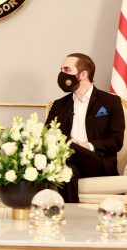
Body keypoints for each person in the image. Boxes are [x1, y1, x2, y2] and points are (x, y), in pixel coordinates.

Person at [46, 53, 125, 203]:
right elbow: (47, 136)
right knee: (66, 169)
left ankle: (71, 148)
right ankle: (72, 218)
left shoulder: (110, 102)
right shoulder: (59, 105)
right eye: (61, 69)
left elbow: (116, 141)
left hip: (98, 163)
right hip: (68, 161)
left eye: (67, 70)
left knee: (68, 148)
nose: (62, 74)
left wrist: (86, 146)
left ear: (83, 74)